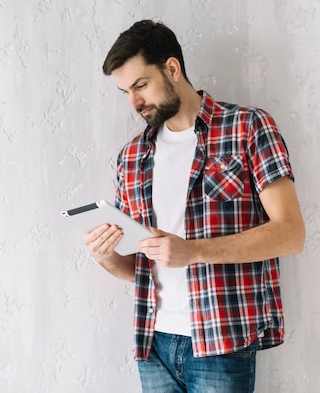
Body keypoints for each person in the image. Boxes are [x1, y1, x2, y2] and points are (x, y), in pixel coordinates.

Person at [84, 20, 305, 392]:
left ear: (172, 69)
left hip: (221, 342)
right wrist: (105, 255)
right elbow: (137, 268)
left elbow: (291, 233)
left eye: (140, 85)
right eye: (125, 92)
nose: (134, 102)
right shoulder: (132, 157)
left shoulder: (248, 127)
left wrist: (193, 251)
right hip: (153, 343)